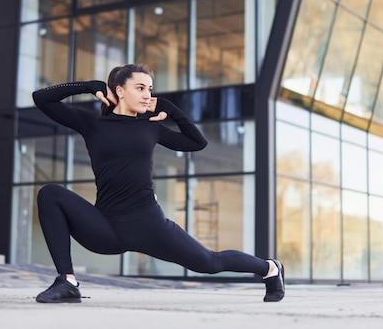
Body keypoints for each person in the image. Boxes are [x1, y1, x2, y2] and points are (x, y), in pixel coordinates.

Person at [32, 63, 284, 303]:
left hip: (148, 224)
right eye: (140, 88)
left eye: (150, 89)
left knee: (209, 263)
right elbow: (42, 98)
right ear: (119, 90)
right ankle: (68, 282)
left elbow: (197, 142)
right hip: (106, 228)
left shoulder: (150, 127)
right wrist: (89, 86)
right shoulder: (93, 124)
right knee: (51, 194)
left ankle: (270, 269)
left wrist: (171, 109)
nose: (146, 95)